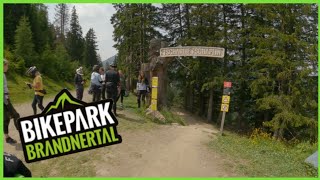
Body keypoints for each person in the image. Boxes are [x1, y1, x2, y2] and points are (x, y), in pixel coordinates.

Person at [3, 59, 20, 144]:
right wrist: (6, 100)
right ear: (3, 65)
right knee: (16, 115)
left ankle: (7, 138)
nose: (8, 67)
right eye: (7, 65)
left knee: (6, 119)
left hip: (4, 98)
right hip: (4, 99)